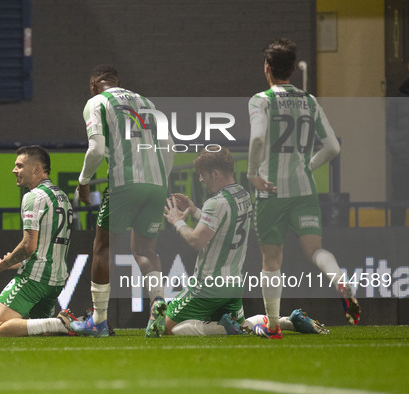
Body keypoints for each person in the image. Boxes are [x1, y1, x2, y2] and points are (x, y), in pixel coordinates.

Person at [247, 38, 360, 339]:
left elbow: (258, 139)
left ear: (267, 68)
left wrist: (252, 173)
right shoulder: (310, 101)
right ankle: (338, 279)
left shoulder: (262, 100)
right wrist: (306, 166)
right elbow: (333, 148)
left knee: (272, 260)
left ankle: (272, 326)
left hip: (270, 191)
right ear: (294, 69)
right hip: (303, 190)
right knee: (315, 249)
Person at [72, 64, 174, 337]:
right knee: (145, 250)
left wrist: (83, 181)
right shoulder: (146, 102)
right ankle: (158, 302)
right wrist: (160, 181)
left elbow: (96, 148)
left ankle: (99, 321)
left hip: (124, 183)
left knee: (102, 247)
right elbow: (169, 147)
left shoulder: (97, 102)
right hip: (157, 183)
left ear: (95, 84)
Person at [156, 148, 252, 337]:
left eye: (202, 174)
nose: (200, 179)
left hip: (208, 287)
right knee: (242, 325)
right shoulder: (243, 194)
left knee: (161, 329)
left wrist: (177, 221)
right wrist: (194, 211)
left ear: (215, 173)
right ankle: (287, 322)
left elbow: (196, 241)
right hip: (234, 284)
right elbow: (220, 229)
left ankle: (222, 329)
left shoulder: (216, 202)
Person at [0, 145, 75, 337]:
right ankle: (60, 325)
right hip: (57, 281)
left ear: (36, 169)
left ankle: (62, 323)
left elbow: (29, 246)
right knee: (38, 333)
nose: (14, 170)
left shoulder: (32, 197)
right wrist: (14, 263)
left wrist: (3, 264)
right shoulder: (63, 197)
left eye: (19, 166)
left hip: (34, 279)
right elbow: (45, 246)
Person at [386, 62, 409, 226]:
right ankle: (397, 245)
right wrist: (398, 150)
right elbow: (390, 128)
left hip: (401, 159)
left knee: (398, 201)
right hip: (402, 160)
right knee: (399, 202)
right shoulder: (398, 98)